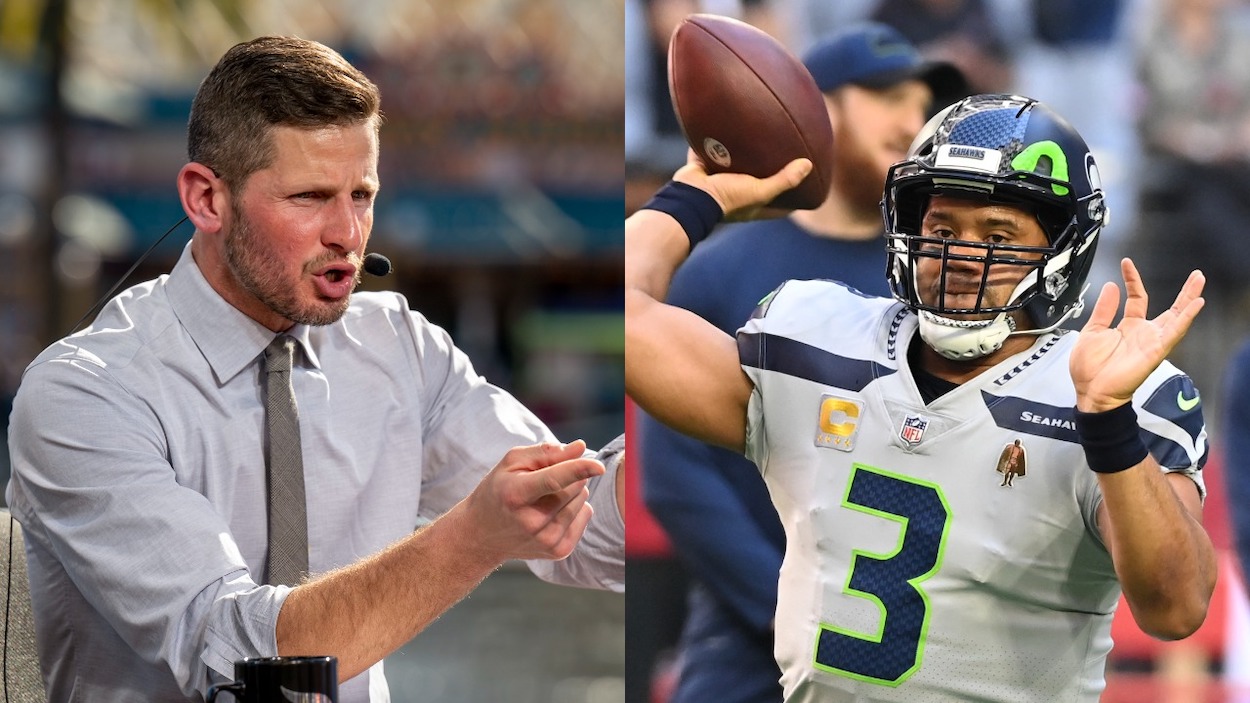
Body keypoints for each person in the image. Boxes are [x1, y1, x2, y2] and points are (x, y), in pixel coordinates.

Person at [6, 36, 624, 702]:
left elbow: (585, 535)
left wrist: (672, 425)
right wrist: (471, 536)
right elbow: (244, 660)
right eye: (310, 196)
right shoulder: (85, 391)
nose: (349, 234)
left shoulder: (402, 348)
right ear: (208, 200)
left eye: (361, 194)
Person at [625, 93, 1216, 701]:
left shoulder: (1113, 392)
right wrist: (695, 197)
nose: (961, 254)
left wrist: (1108, 422)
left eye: (997, 234)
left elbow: (1175, 609)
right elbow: (627, 318)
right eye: (941, 228)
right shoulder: (818, 336)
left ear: (1062, 251)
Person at [637, 22, 965, 703]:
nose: (912, 121)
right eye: (886, 97)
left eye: (921, 103)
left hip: (913, 649)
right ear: (807, 104)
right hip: (748, 639)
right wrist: (793, 613)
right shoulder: (721, 268)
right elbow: (676, 476)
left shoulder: (945, 281)